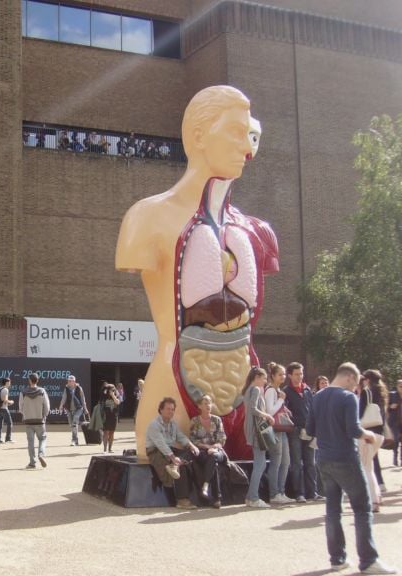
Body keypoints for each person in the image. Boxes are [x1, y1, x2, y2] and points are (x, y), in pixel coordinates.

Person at [116, 86, 278, 462]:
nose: (248, 149)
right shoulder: (148, 217)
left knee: (252, 464)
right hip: (172, 379)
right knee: (154, 457)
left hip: (241, 380)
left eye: (252, 134)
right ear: (199, 135)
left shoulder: (256, 229)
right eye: (236, 133)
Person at [306, 362, 397, 574]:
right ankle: (369, 560)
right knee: (362, 508)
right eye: (355, 383)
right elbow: (353, 429)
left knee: (332, 509)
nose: (355, 388)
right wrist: (369, 435)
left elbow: (310, 428)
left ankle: (337, 559)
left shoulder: (317, 396)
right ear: (349, 378)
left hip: (323, 458)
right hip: (345, 458)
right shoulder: (347, 398)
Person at [145, 397, 200, 510]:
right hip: (156, 451)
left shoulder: (173, 424)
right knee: (182, 467)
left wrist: (191, 445)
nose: (171, 411)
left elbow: (181, 437)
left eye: (173, 409)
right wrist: (173, 457)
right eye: (168, 409)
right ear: (161, 410)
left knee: (192, 453)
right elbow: (161, 444)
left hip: (170, 449)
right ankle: (182, 500)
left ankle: (175, 466)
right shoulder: (154, 425)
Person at [284, 362, 322, 502]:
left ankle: (312, 492)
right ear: (290, 375)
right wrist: (293, 424)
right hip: (295, 431)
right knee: (296, 463)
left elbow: (313, 409)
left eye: (301, 373)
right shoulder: (286, 391)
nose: (300, 376)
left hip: (309, 430)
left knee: (310, 462)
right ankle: (299, 493)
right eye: (296, 374)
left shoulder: (307, 390)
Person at [243, 366, 274, 508]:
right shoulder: (255, 389)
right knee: (260, 464)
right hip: (256, 430)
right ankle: (254, 497)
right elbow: (253, 409)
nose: (265, 381)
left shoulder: (248, 390)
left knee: (259, 463)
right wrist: (267, 415)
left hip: (251, 428)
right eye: (264, 378)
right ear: (257, 377)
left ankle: (251, 497)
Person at [189, 394, 227, 508]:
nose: (208, 405)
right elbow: (192, 439)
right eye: (205, 403)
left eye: (210, 403)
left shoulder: (217, 420)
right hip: (202, 451)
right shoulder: (195, 421)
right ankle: (217, 499)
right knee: (212, 463)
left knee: (214, 456)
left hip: (217, 450)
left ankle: (205, 485)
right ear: (199, 406)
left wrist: (214, 447)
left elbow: (222, 438)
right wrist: (207, 447)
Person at [265, 362, 293, 504]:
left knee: (286, 461)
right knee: (276, 460)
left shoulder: (278, 390)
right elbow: (269, 411)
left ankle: (281, 492)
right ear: (273, 376)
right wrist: (281, 399)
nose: (283, 377)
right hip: (274, 429)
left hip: (282, 429)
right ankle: (274, 493)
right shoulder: (270, 390)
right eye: (280, 374)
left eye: (284, 374)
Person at [360, 370, 387, 491]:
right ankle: (380, 484)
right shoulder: (382, 392)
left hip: (368, 429)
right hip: (379, 430)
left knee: (366, 462)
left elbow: (361, 412)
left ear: (368, 379)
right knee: (373, 459)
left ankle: (372, 491)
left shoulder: (367, 392)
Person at [19, 372, 50, 469]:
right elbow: (47, 406)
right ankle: (41, 454)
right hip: (40, 420)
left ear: (29, 380)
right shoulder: (42, 391)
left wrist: (26, 415)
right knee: (42, 439)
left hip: (28, 421)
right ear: (38, 380)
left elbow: (20, 407)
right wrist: (44, 415)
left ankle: (32, 463)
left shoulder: (23, 392)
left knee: (30, 442)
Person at [59, 375, 88, 446]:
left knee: (75, 422)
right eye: (68, 381)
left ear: (74, 381)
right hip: (69, 409)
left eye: (70, 381)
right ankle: (76, 440)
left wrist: (85, 408)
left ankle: (74, 440)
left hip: (79, 408)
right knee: (72, 425)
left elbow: (82, 399)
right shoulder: (66, 389)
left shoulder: (79, 388)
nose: (69, 382)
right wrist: (61, 406)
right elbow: (64, 398)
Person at [387, 380, 402, 467]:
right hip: (394, 421)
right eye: (399, 386)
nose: (401, 388)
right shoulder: (392, 394)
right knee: (396, 440)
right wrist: (390, 407)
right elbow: (386, 406)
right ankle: (395, 460)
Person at [99, 382, 121, 453]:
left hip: (114, 416)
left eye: (113, 389)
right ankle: (105, 449)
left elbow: (117, 402)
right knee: (106, 432)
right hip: (106, 416)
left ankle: (110, 449)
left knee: (112, 432)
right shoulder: (104, 396)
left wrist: (113, 395)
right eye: (111, 390)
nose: (112, 391)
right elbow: (100, 404)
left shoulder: (116, 395)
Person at [0, 378, 14, 444]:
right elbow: (4, 400)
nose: (10, 383)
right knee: (10, 423)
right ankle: (8, 439)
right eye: (9, 382)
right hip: (4, 409)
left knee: (0, 424)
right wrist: (11, 402)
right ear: (6, 382)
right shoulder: (5, 389)